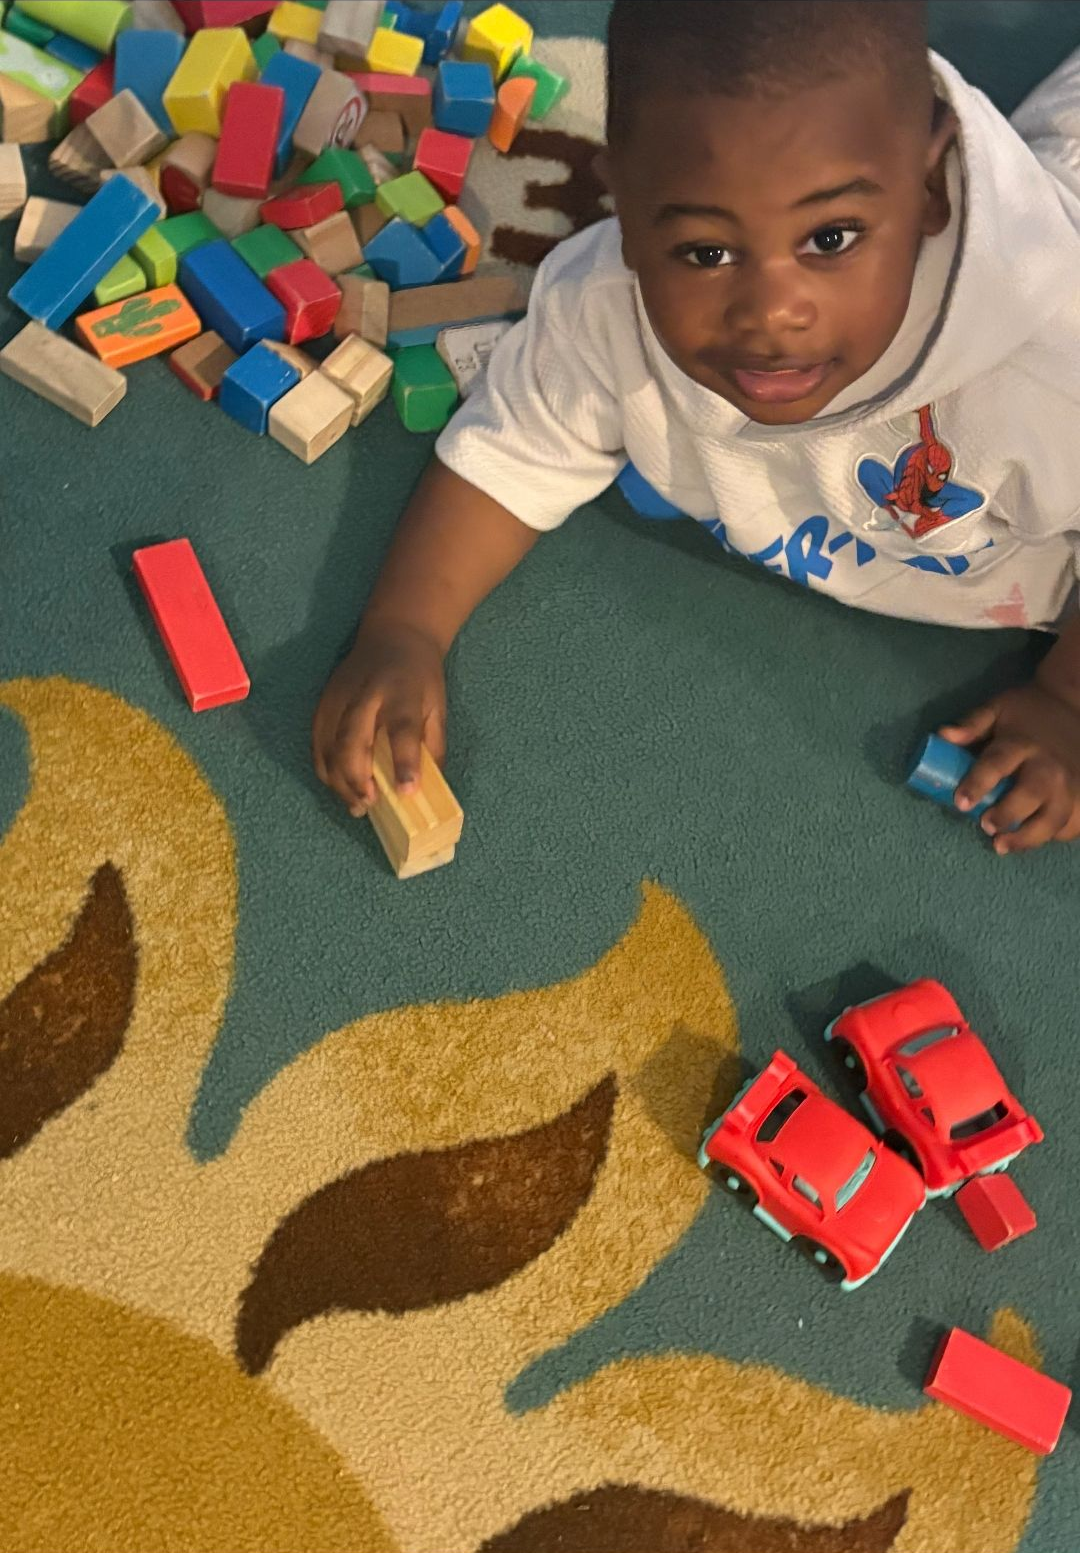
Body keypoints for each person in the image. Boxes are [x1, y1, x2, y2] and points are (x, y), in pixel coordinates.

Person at [313, 0, 1080, 855]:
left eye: (831, 236)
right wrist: (406, 627)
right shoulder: (610, 309)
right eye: (707, 251)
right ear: (627, 209)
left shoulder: (1051, 368)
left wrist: (1065, 703)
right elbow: (515, 445)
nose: (771, 313)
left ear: (930, 186)